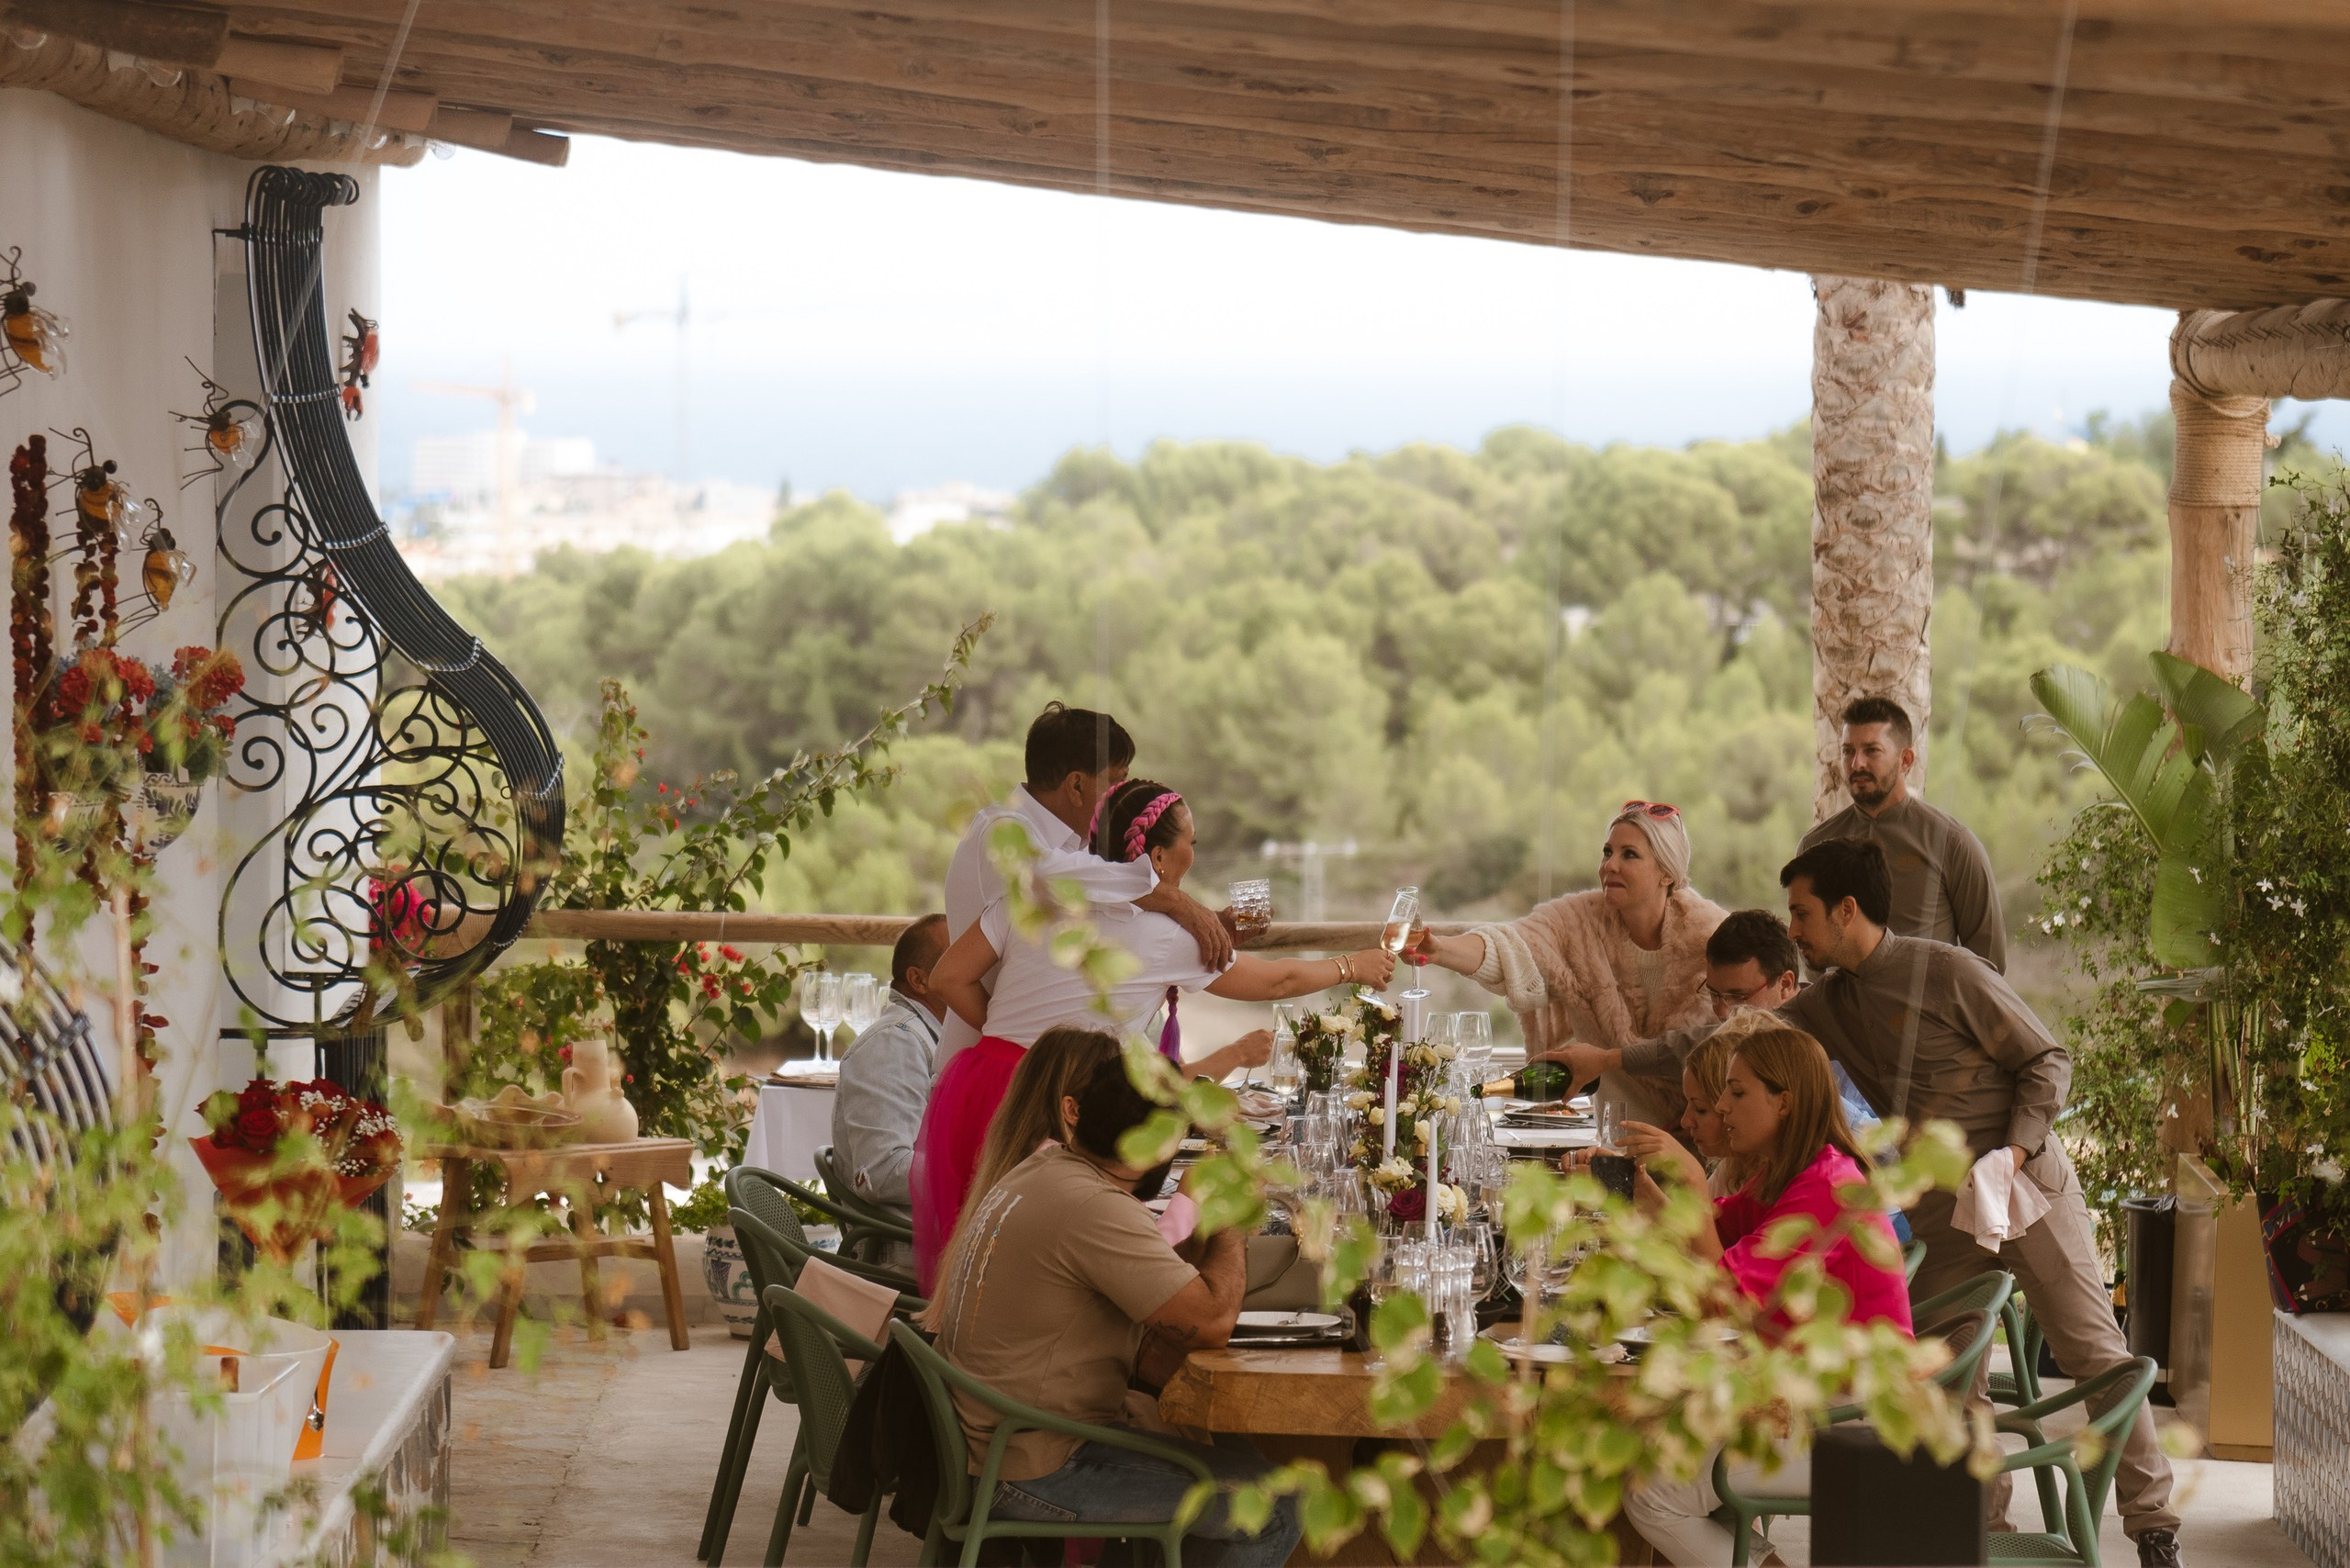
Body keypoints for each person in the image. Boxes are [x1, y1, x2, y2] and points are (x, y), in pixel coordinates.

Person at [1567, 840, 2184, 1567]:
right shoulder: (1828, 1003)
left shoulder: (1950, 970)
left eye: (1801, 914)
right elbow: (1731, 1039)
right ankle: (1972, 1538)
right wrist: (1610, 1061)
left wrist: (2010, 1153)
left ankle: (2154, 1526)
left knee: (2092, 1352)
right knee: (1953, 1379)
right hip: (1943, 1206)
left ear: (1847, 911)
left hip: (2023, 1181)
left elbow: (2047, 1060)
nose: (1791, 930)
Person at [912, 778, 1394, 1290]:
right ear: (1159, 857)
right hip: (1060, 1104)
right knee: (1049, 1269)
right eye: (1192, 841)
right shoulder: (1168, 936)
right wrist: (1352, 965)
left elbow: (946, 978)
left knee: (978, 1262)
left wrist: (1010, 1038)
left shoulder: (1036, 898)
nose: (1195, 852)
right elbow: (1278, 980)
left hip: (981, 1084)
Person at [931, 1055, 1303, 1567]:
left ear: (1076, 1113)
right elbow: (1211, 1324)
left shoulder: (1046, 1167)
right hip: (1030, 1467)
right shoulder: (1095, 1209)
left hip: (990, 1442)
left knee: (1243, 1459)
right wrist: (1232, 1218)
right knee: (1276, 1506)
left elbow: (1164, 1294)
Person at [1618, 1025, 1912, 1567]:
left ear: (1785, 1102)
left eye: (1736, 1093)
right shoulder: (1791, 1172)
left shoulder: (1826, 1187)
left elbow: (1722, 1297)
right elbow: (1712, 1230)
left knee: (1650, 1491)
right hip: (1811, 1398)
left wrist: (1691, 1179)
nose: (1721, 1108)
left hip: (1855, 1425)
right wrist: (1646, 1193)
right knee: (1657, 1438)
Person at [938, 702, 1233, 1070]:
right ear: (1077, 784)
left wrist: (1205, 925)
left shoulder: (1075, 848)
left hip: (1041, 1073)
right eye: (1115, 780)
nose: (1120, 793)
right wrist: (1011, 1042)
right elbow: (1052, 878)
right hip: (991, 1067)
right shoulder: (1002, 830)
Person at [1411, 800, 1727, 1127]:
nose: (1610, 866)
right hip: (1612, 1143)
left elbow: (1737, 1037)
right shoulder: (1579, 922)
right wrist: (1439, 949)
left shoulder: (1713, 938)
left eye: (1629, 855)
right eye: (1607, 852)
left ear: (1667, 873)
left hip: (1703, 1145)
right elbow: (1513, 945)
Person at [919, 1025, 1125, 1328]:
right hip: (1032, 1366)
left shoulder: (1020, 1157)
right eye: (1119, 1096)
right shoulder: (1063, 1181)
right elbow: (1145, 1281)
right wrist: (1190, 1200)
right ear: (1074, 1110)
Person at [1798, 696, 2007, 970]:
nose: (1857, 763)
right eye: (1848, 751)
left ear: (1905, 760)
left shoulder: (1952, 843)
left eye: (1872, 751)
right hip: (1840, 1014)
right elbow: (1812, 959)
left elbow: (1989, 964)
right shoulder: (1815, 847)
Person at [827, 914, 949, 1258]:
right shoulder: (895, 1042)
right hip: (900, 1250)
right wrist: (977, 1170)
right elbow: (881, 1172)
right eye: (957, 959)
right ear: (918, 980)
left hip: (929, 1237)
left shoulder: (928, 1038)